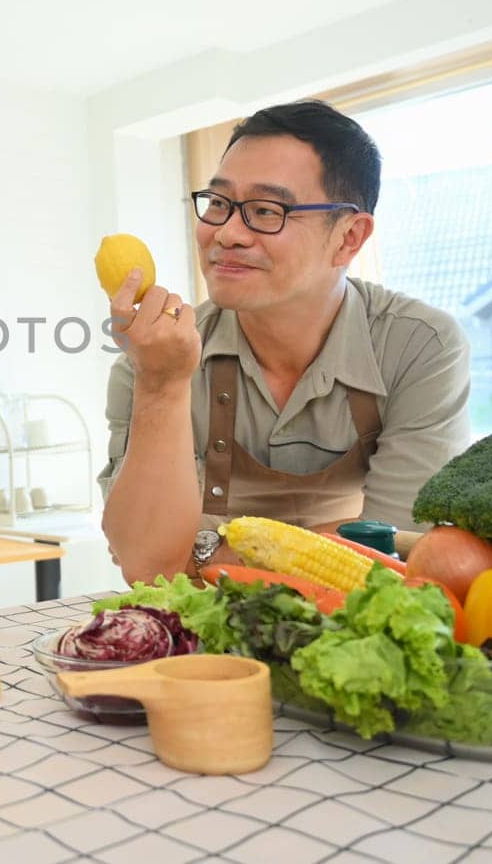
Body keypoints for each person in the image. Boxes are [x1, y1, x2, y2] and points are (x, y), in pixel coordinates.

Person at [98, 100, 471, 583]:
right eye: (218, 203)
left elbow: (397, 545)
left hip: (351, 624)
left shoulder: (419, 345)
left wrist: (202, 553)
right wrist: (162, 385)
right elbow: (146, 564)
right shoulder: (155, 357)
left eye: (266, 210)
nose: (227, 233)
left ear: (349, 238)